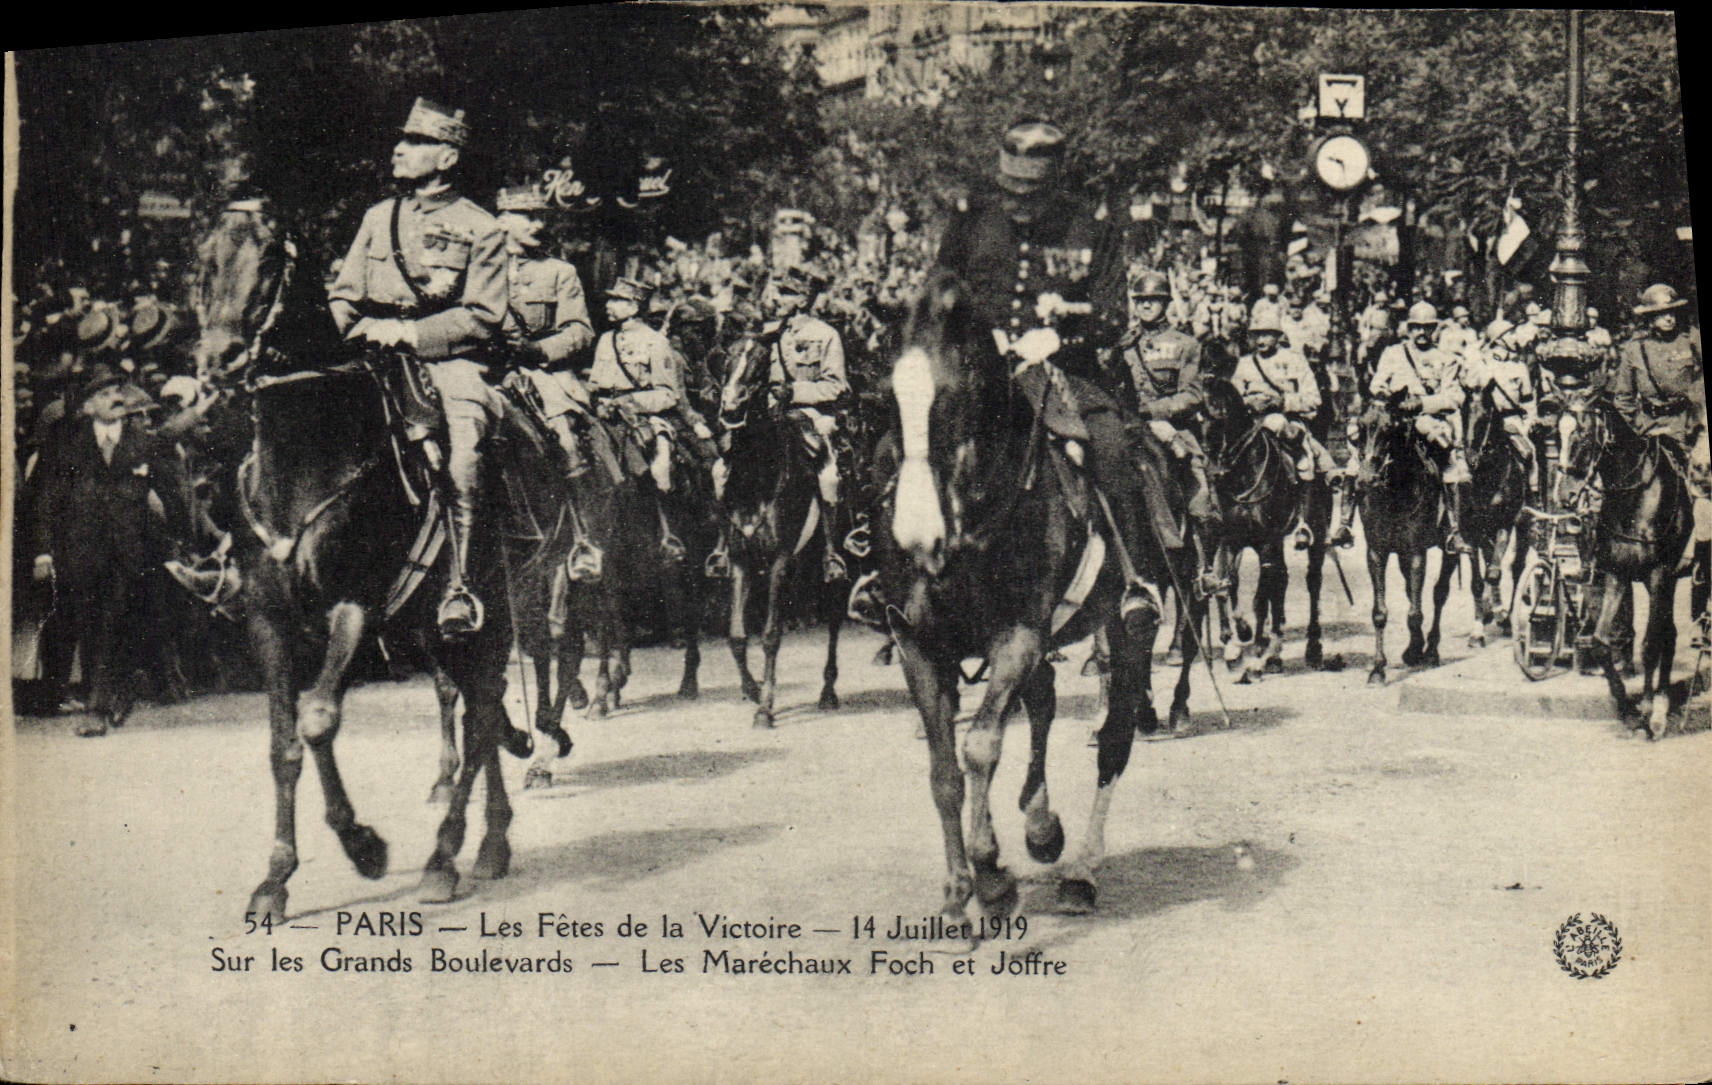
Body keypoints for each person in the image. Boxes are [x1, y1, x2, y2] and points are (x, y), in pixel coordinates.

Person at [915, 118, 1169, 633]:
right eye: (1012, 188)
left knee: (1112, 446)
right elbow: (939, 292)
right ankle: (884, 573)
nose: (1019, 202)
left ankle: (1135, 579)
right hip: (977, 371)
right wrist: (972, 331)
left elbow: (1114, 316)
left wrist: (1064, 331)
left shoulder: (1091, 225)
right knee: (897, 441)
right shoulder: (971, 219)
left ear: (1054, 182)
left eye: (1031, 191)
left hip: (1061, 373)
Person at [328, 97, 509, 637]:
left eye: (416, 143)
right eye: (401, 141)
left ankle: (458, 584)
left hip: (446, 361)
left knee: (465, 434)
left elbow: (482, 315)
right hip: (370, 352)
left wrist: (412, 332)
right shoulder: (378, 217)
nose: (399, 150)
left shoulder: (482, 228)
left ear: (448, 157)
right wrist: (358, 330)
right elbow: (343, 295)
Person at [1119, 269, 1219, 584]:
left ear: (1166, 303)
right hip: (1126, 424)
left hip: (1169, 425)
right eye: (1141, 301)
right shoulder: (1123, 344)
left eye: (1154, 300)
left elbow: (1192, 394)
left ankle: (1205, 568)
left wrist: (1155, 411)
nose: (1146, 306)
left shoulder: (1186, 344)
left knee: (1199, 491)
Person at [587, 276, 697, 556]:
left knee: (658, 470)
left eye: (618, 300)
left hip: (642, 418)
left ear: (635, 307)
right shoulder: (605, 340)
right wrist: (598, 401)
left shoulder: (655, 342)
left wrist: (631, 401)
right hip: (605, 417)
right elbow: (597, 384)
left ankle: (667, 533)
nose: (610, 305)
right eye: (611, 299)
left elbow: (667, 394)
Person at [1357, 301, 1472, 553]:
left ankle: (1453, 529)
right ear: (1408, 329)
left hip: (1429, 422)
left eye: (1427, 328)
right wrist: (1392, 397)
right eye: (1416, 328)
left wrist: (1422, 403)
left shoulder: (1446, 359)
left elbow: (1454, 397)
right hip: (1393, 418)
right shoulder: (1392, 354)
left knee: (1450, 466)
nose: (1421, 333)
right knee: (1361, 448)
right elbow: (1376, 385)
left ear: (1435, 330)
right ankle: (1345, 520)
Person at [762, 263, 853, 581]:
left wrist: (796, 391)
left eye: (786, 293)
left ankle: (831, 552)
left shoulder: (826, 335)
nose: (779, 297)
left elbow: (835, 385)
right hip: (774, 414)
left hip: (813, 414)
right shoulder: (770, 333)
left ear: (802, 299)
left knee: (827, 476)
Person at [1231, 309, 1344, 549]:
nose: (1261, 340)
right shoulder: (1244, 364)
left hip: (1286, 421)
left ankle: (1302, 521)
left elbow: (1314, 399)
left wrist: (1283, 402)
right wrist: (1248, 402)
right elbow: (1233, 397)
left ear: (1277, 336)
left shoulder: (1294, 360)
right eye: (1257, 335)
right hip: (1251, 424)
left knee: (1304, 459)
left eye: (1267, 335)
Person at [1613, 283, 1706, 573]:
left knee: (1701, 484)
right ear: (1649, 318)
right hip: (1650, 430)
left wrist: (1696, 419)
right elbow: (1623, 398)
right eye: (1661, 313)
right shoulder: (1635, 349)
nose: (1668, 318)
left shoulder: (1691, 340)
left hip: (1689, 426)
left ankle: (1701, 553)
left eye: (1672, 312)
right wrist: (1645, 427)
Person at [1462, 319, 1542, 501]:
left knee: (1529, 452)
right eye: (1510, 334)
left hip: (1512, 420)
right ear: (1498, 339)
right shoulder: (1481, 364)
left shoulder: (1519, 367)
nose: (1514, 337)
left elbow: (1528, 401)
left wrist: (1529, 421)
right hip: (1485, 421)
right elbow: (1468, 390)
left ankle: (1532, 498)